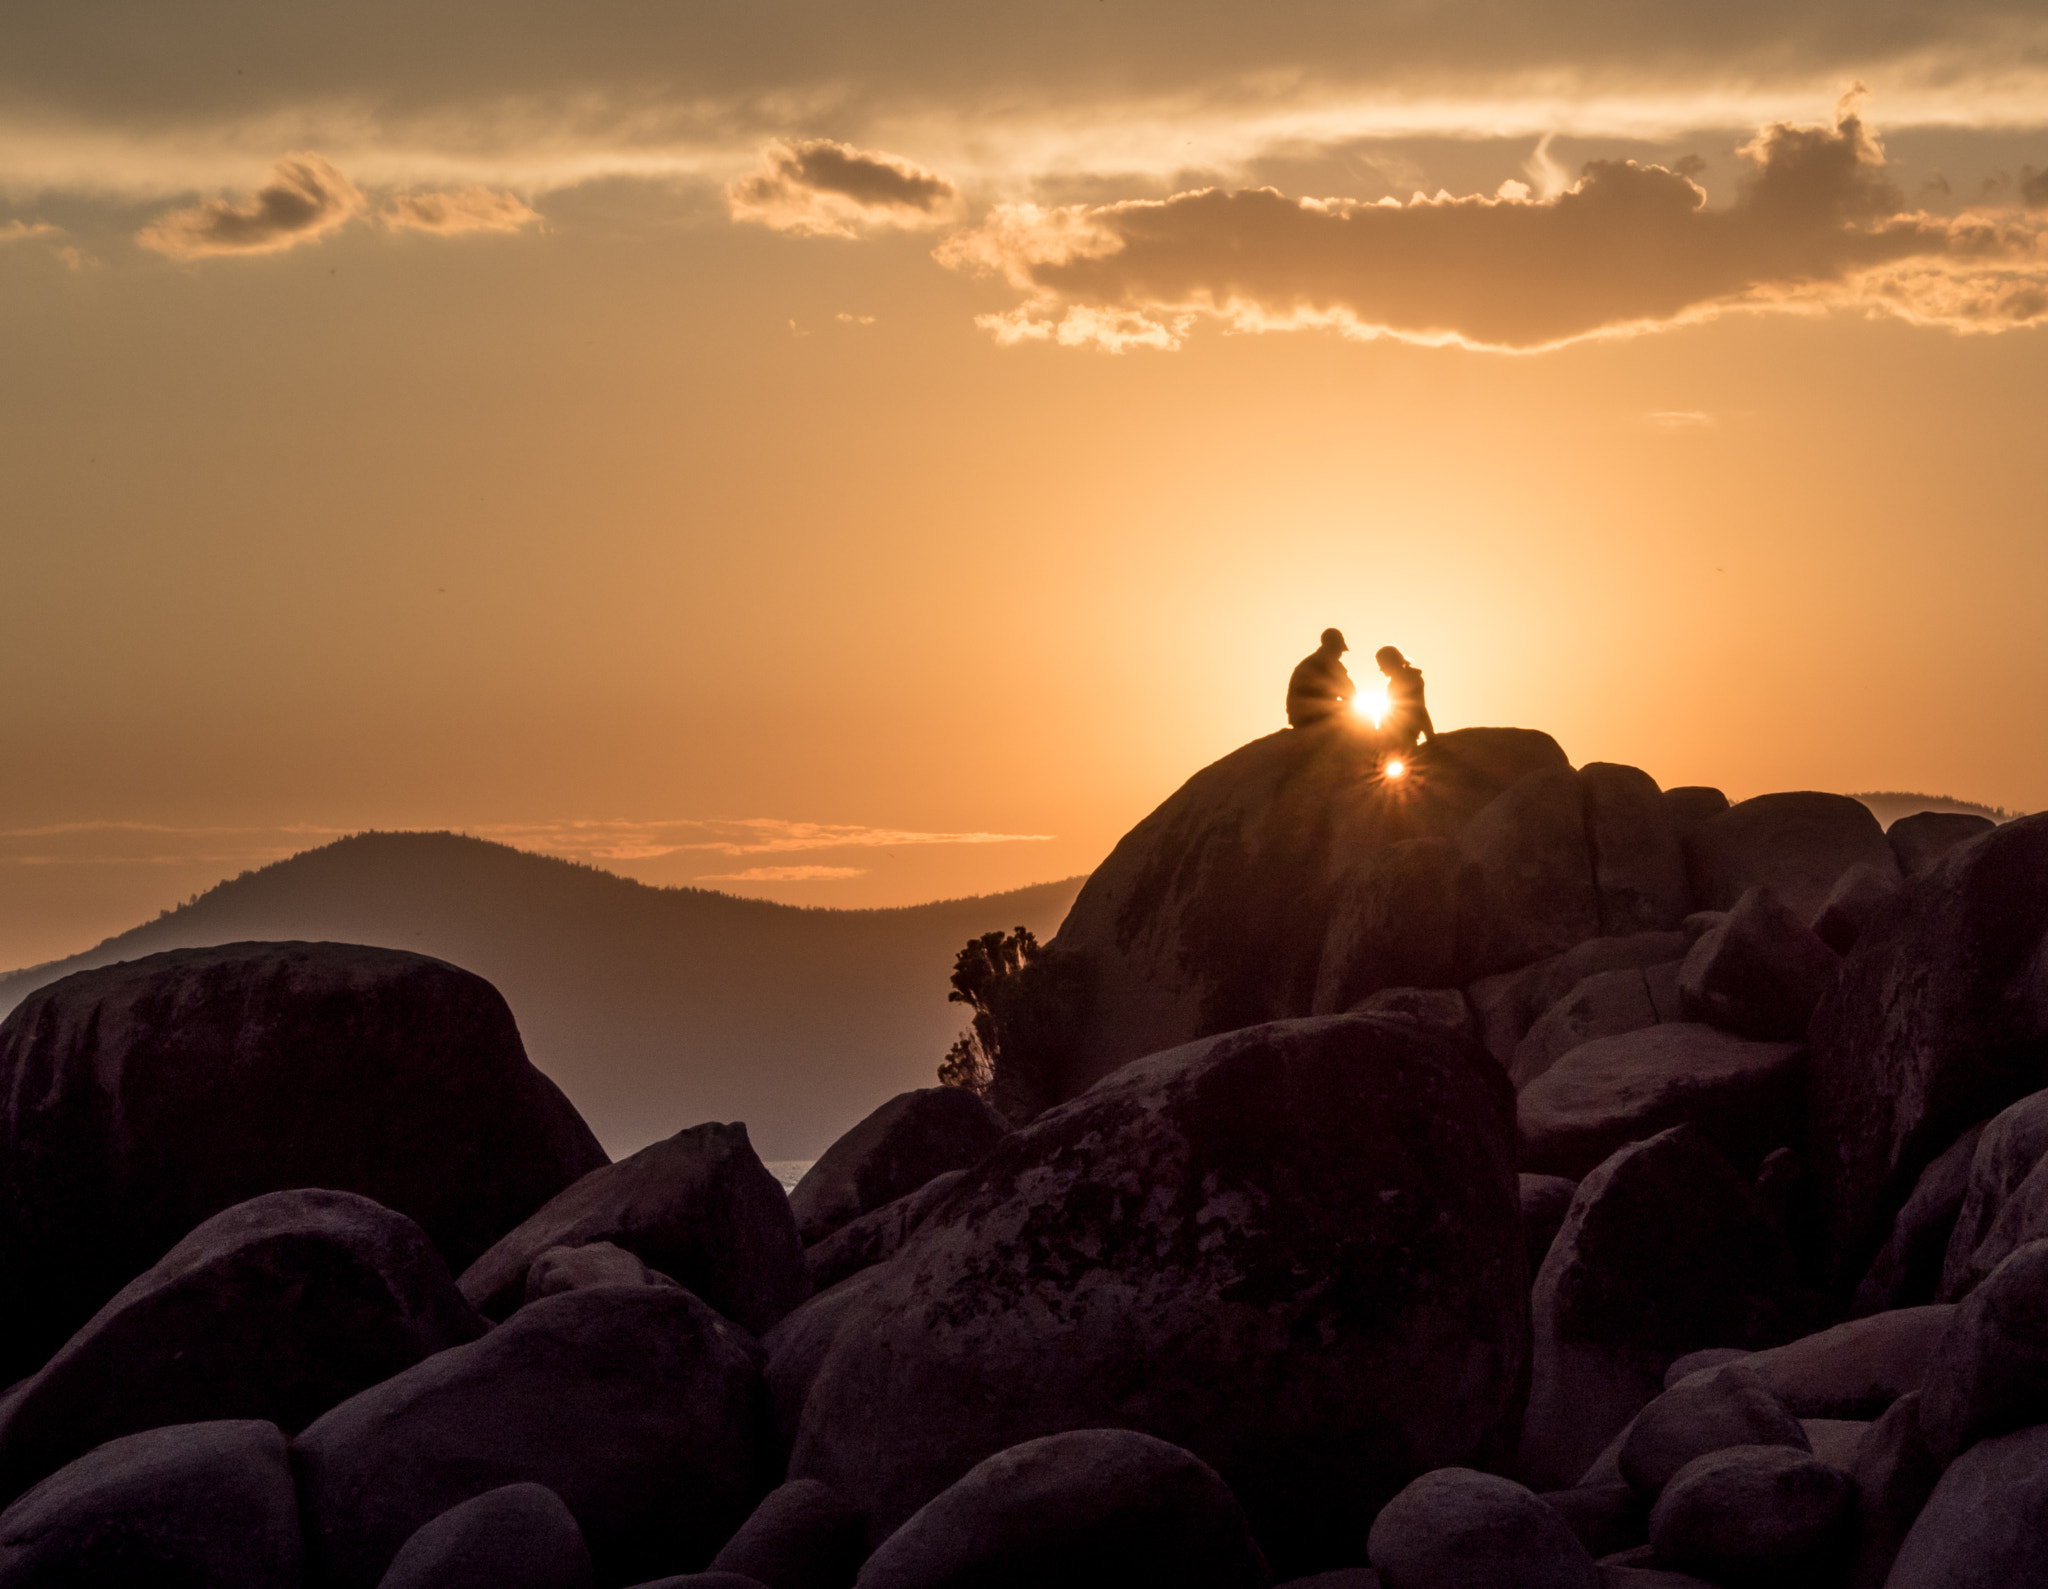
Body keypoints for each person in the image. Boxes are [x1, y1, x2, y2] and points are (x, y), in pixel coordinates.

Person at [1286, 629, 1355, 727]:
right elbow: (1348, 691)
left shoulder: (1307, 662)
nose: (1340, 654)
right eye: (1339, 650)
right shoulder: (1330, 663)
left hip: (1298, 717)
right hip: (1315, 716)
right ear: (1333, 648)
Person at [1376, 645, 1434, 749]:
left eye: (1382, 665)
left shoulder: (1411, 680)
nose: (1380, 669)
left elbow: (1419, 707)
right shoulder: (1395, 682)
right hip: (1393, 733)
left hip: (1403, 735)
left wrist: (1430, 734)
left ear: (1390, 662)